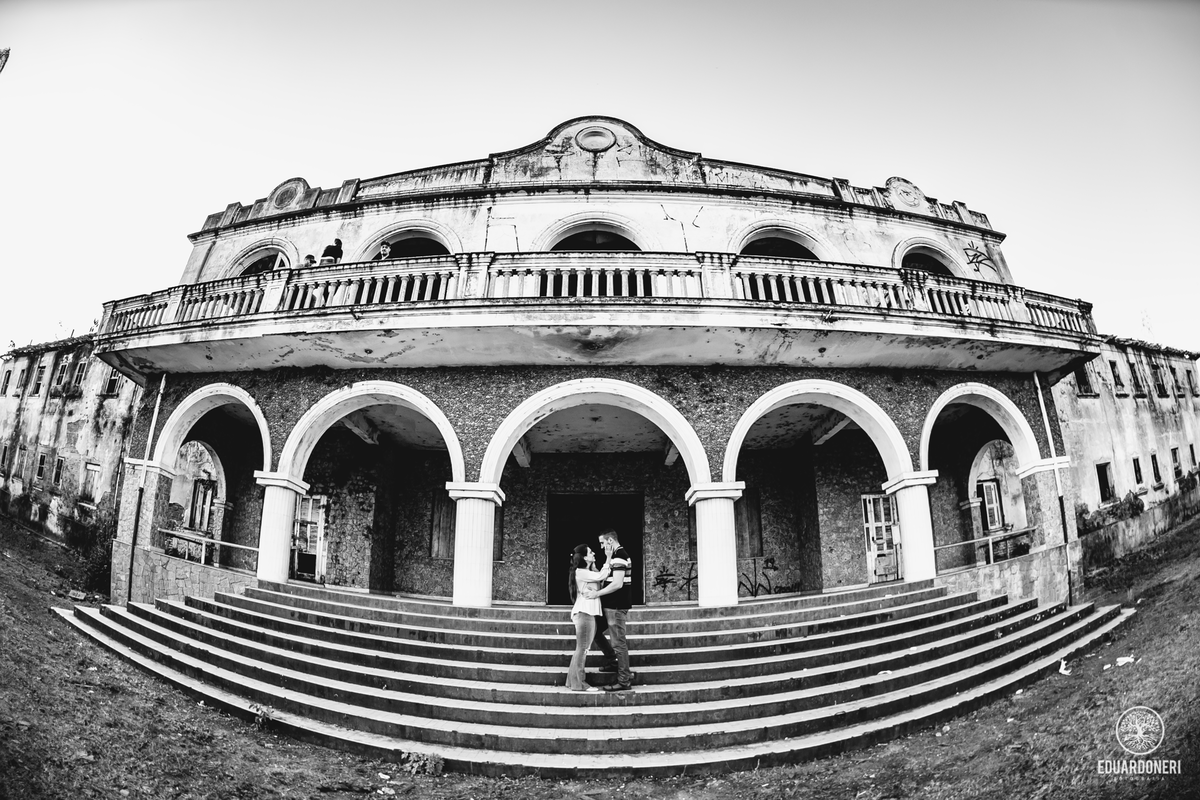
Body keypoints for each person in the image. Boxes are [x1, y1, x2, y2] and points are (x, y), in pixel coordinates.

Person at [590, 528, 633, 691]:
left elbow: (617, 583)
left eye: (602, 543)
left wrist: (597, 594)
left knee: (618, 643)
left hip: (616, 606)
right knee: (594, 631)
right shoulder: (615, 557)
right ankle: (612, 661)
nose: (601, 546)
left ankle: (624, 680)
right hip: (609, 606)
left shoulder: (621, 556)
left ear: (610, 541)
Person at [565, 544, 608, 692]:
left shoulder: (586, 571)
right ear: (584, 557)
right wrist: (608, 558)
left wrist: (595, 565)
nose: (594, 552)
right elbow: (602, 576)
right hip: (584, 613)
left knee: (581, 648)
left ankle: (572, 682)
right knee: (583, 649)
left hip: (587, 613)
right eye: (590, 552)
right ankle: (580, 683)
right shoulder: (581, 572)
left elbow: (599, 580)